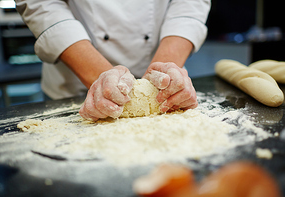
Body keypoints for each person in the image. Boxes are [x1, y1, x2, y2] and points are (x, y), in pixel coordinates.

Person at [15, 0, 211, 121]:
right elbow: (41, 4)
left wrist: (166, 77)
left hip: (164, 79)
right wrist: (101, 78)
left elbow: (190, 3)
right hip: (74, 85)